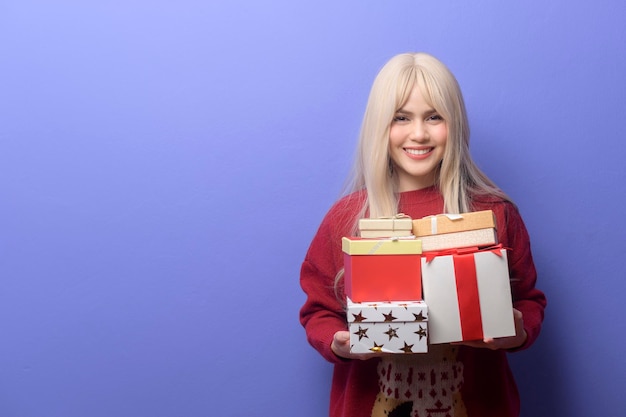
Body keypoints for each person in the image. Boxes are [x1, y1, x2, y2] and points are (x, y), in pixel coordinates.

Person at [299, 52, 547, 417]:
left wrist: (519, 331)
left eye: (434, 117)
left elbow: (529, 300)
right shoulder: (346, 218)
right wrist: (339, 343)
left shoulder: (494, 211)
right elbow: (318, 310)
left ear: (455, 123)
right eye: (401, 118)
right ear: (380, 126)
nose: (418, 133)